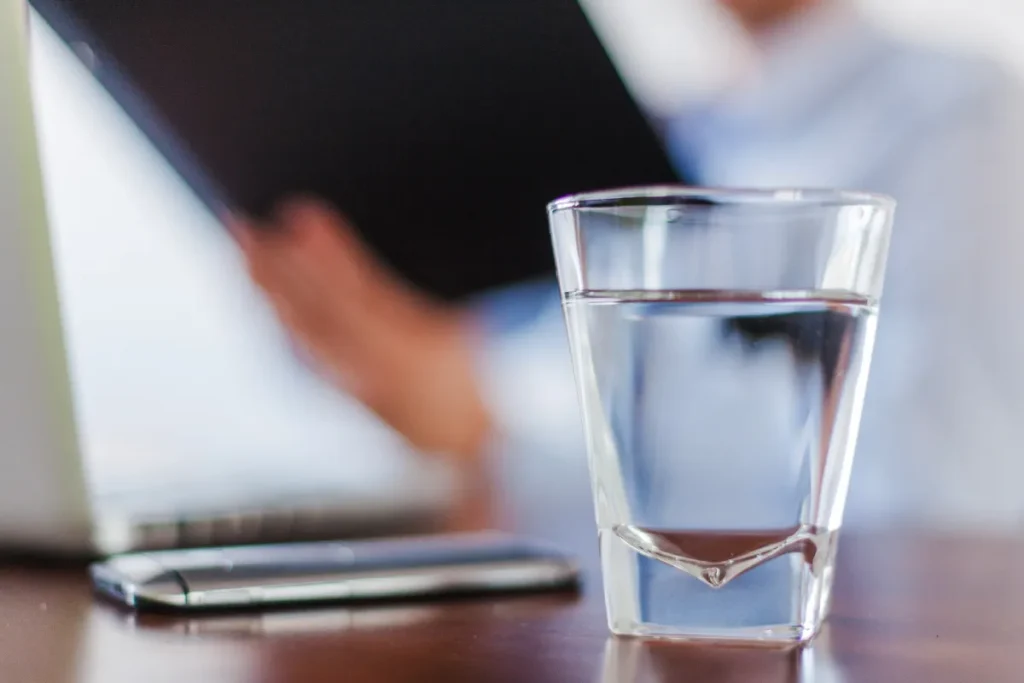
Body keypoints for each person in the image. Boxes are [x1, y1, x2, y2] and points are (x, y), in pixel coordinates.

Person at [234, 0, 1024, 530]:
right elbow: (486, 351)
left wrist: (487, 431)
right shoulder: (654, 136)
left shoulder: (965, 120)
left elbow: (942, 498)